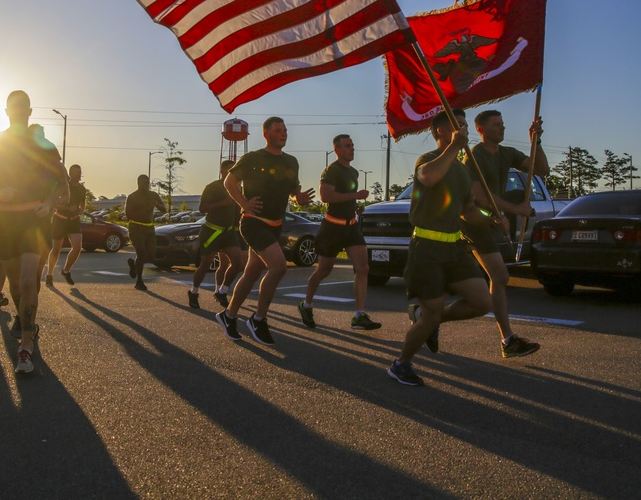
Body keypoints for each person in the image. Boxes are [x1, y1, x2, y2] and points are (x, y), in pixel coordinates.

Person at [387, 110, 505, 386]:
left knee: (482, 303)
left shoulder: (463, 170)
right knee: (431, 315)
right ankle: (400, 364)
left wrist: (492, 220)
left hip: (454, 248)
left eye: (465, 125)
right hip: (426, 248)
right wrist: (453, 146)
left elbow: (468, 211)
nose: (464, 129)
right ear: (442, 132)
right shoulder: (428, 160)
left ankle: (432, 320)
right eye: (458, 126)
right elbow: (428, 178)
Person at [0, 91, 68, 375]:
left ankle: (26, 345)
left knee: (28, 281)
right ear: (6, 111)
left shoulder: (44, 145)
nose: (18, 112)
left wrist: (49, 203)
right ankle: (28, 324)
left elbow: (63, 186)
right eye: (14, 108)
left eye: (23, 108)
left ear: (30, 111)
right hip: (3, 221)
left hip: (32, 221)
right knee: (15, 283)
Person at [216, 117, 314, 345]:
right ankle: (258, 318)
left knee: (251, 273)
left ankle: (228, 315)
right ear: (266, 134)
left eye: (285, 130)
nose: (284, 133)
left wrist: (297, 198)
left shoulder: (291, 161)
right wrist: (243, 203)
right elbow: (229, 183)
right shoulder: (253, 158)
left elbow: (292, 192)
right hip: (253, 222)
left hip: (275, 225)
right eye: (278, 130)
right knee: (279, 267)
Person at [463, 109, 547, 358]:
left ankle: (506, 340)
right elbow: (478, 196)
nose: (502, 128)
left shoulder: (507, 153)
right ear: (481, 129)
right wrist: (515, 208)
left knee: (496, 278)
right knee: (498, 276)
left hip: (491, 222)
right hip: (472, 222)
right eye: (496, 125)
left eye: (502, 123)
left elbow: (541, 169)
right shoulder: (473, 156)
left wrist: (536, 141)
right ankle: (507, 339)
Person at [298, 134, 381, 331]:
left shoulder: (353, 172)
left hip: (351, 226)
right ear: (337, 150)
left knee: (363, 268)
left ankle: (359, 315)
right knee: (324, 270)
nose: (352, 149)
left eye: (352, 145)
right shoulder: (331, 170)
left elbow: (346, 199)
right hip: (332, 227)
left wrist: (355, 206)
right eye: (347, 146)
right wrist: (356, 195)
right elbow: (326, 196)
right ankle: (306, 304)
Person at [188, 160, 244, 309]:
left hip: (229, 232)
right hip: (212, 231)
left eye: (235, 170)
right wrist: (221, 203)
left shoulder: (238, 188)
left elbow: (239, 210)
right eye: (229, 169)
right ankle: (194, 292)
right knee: (205, 264)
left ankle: (222, 291)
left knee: (237, 263)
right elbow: (202, 208)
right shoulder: (213, 187)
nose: (233, 173)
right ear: (222, 170)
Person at [45, 164, 87, 287]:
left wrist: (80, 210)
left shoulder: (82, 189)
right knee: (56, 250)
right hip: (60, 220)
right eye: (75, 173)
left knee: (77, 247)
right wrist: (66, 207)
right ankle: (49, 274)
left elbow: (83, 204)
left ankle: (66, 270)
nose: (77, 176)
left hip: (74, 221)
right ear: (70, 173)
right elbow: (54, 202)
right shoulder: (63, 186)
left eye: (79, 173)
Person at [124, 174, 165, 291]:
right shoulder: (132, 197)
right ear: (138, 183)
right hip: (136, 228)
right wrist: (147, 207)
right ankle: (139, 281)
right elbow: (129, 215)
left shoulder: (153, 195)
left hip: (149, 228)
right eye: (144, 183)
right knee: (141, 253)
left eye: (148, 183)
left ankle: (133, 263)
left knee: (151, 256)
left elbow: (164, 208)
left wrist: (157, 204)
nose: (146, 185)